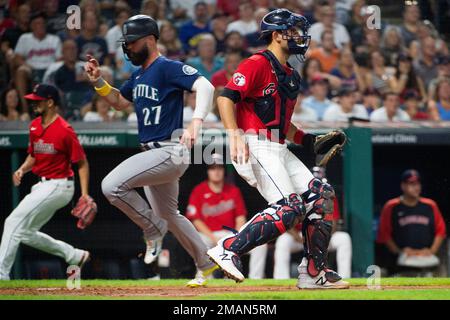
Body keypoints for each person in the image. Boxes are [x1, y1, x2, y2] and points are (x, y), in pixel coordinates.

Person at [209, 8, 349, 289]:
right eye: (292, 31)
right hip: (254, 144)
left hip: (279, 146)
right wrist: (233, 133)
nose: (299, 36)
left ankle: (313, 273)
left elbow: (282, 123)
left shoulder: (291, 74)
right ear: (276, 35)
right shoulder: (257, 62)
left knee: (321, 196)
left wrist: (309, 140)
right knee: (290, 208)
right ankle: (229, 247)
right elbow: (226, 98)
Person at [84, 15, 218, 287]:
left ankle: (152, 228)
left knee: (111, 186)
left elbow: (206, 85)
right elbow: (120, 102)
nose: (128, 48)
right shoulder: (140, 74)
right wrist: (99, 81)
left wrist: (196, 121)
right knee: (171, 214)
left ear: (149, 39)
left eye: (132, 42)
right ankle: (205, 262)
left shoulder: (167, 67)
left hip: (169, 150)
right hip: (155, 154)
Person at [0, 84, 92, 280]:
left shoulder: (65, 130)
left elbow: (82, 163)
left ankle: (1, 276)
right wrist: (22, 169)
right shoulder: (34, 125)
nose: (33, 103)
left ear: (50, 102)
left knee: (12, 222)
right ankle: (74, 254)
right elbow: (33, 156)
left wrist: (84, 194)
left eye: (38, 100)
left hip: (59, 185)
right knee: (24, 232)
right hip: (42, 185)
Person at [186, 153, 268, 282]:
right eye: (213, 168)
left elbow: (240, 218)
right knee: (200, 241)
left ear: (224, 170)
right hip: (209, 235)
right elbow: (196, 220)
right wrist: (213, 238)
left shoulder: (233, 191)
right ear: (208, 171)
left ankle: (255, 280)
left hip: (229, 234)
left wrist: (236, 237)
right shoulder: (199, 190)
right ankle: (205, 277)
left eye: (219, 168)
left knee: (260, 245)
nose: (216, 171)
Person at [273, 166, 352, 279]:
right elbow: (287, 221)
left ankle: (345, 277)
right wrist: (300, 238)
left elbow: (333, 223)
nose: (318, 188)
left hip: (323, 236)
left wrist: (321, 239)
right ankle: (280, 279)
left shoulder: (329, 196)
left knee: (344, 238)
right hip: (300, 236)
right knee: (283, 241)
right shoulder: (296, 196)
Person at [377, 169, 446, 273]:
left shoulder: (430, 205)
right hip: (401, 260)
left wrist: (431, 251)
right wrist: (399, 251)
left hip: (426, 257)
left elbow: (441, 231)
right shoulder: (392, 206)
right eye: (411, 184)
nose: (416, 187)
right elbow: (384, 234)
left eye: (418, 184)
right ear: (403, 186)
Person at [13, 12, 62, 116]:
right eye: (37, 23)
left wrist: (51, 70)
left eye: (42, 23)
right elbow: (17, 58)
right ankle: (25, 109)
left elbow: (60, 59)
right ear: (32, 26)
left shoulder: (54, 39)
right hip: (31, 69)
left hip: (50, 70)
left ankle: (58, 111)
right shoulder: (25, 38)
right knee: (21, 71)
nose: (41, 25)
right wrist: (28, 66)